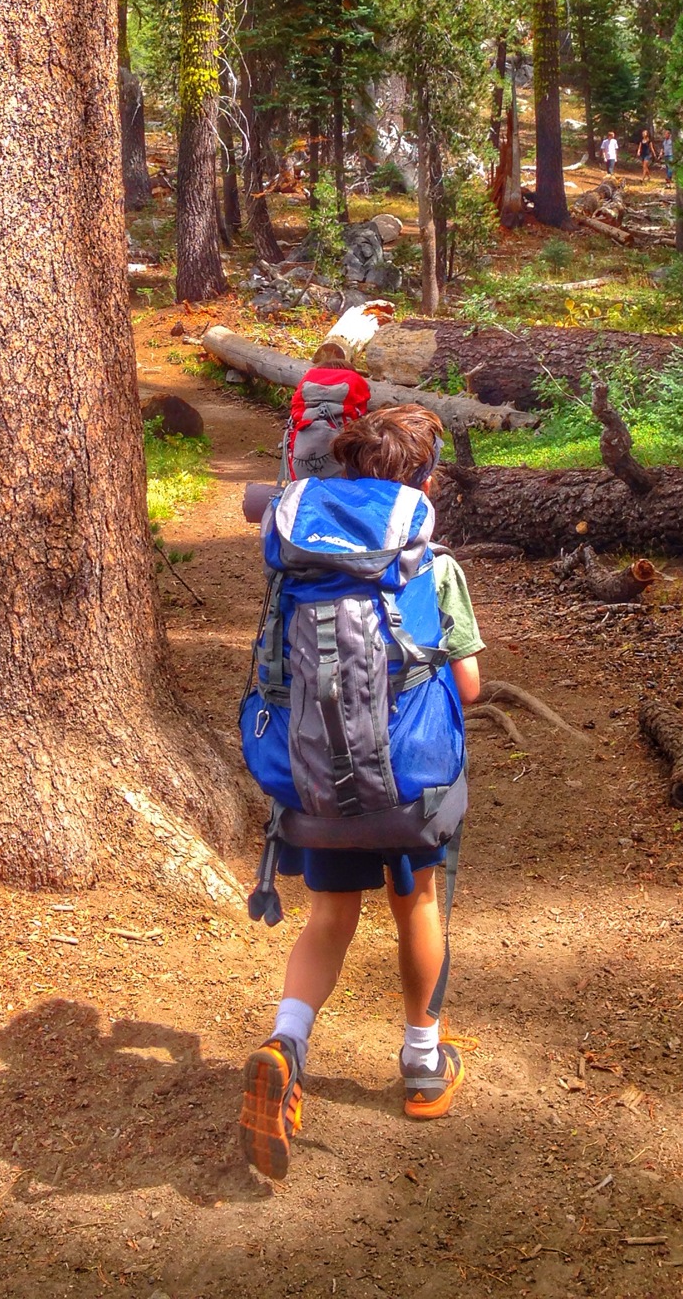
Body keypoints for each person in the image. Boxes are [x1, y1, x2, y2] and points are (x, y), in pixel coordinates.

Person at [237, 405, 484, 1178]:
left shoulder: (301, 560)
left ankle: (286, 1045)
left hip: (318, 785)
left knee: (329, 917)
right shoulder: (435, 566)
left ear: (348, 469)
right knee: (418, 909)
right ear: (425, 484)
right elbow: (470, 687)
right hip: (406, 783)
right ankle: (423, 1063)